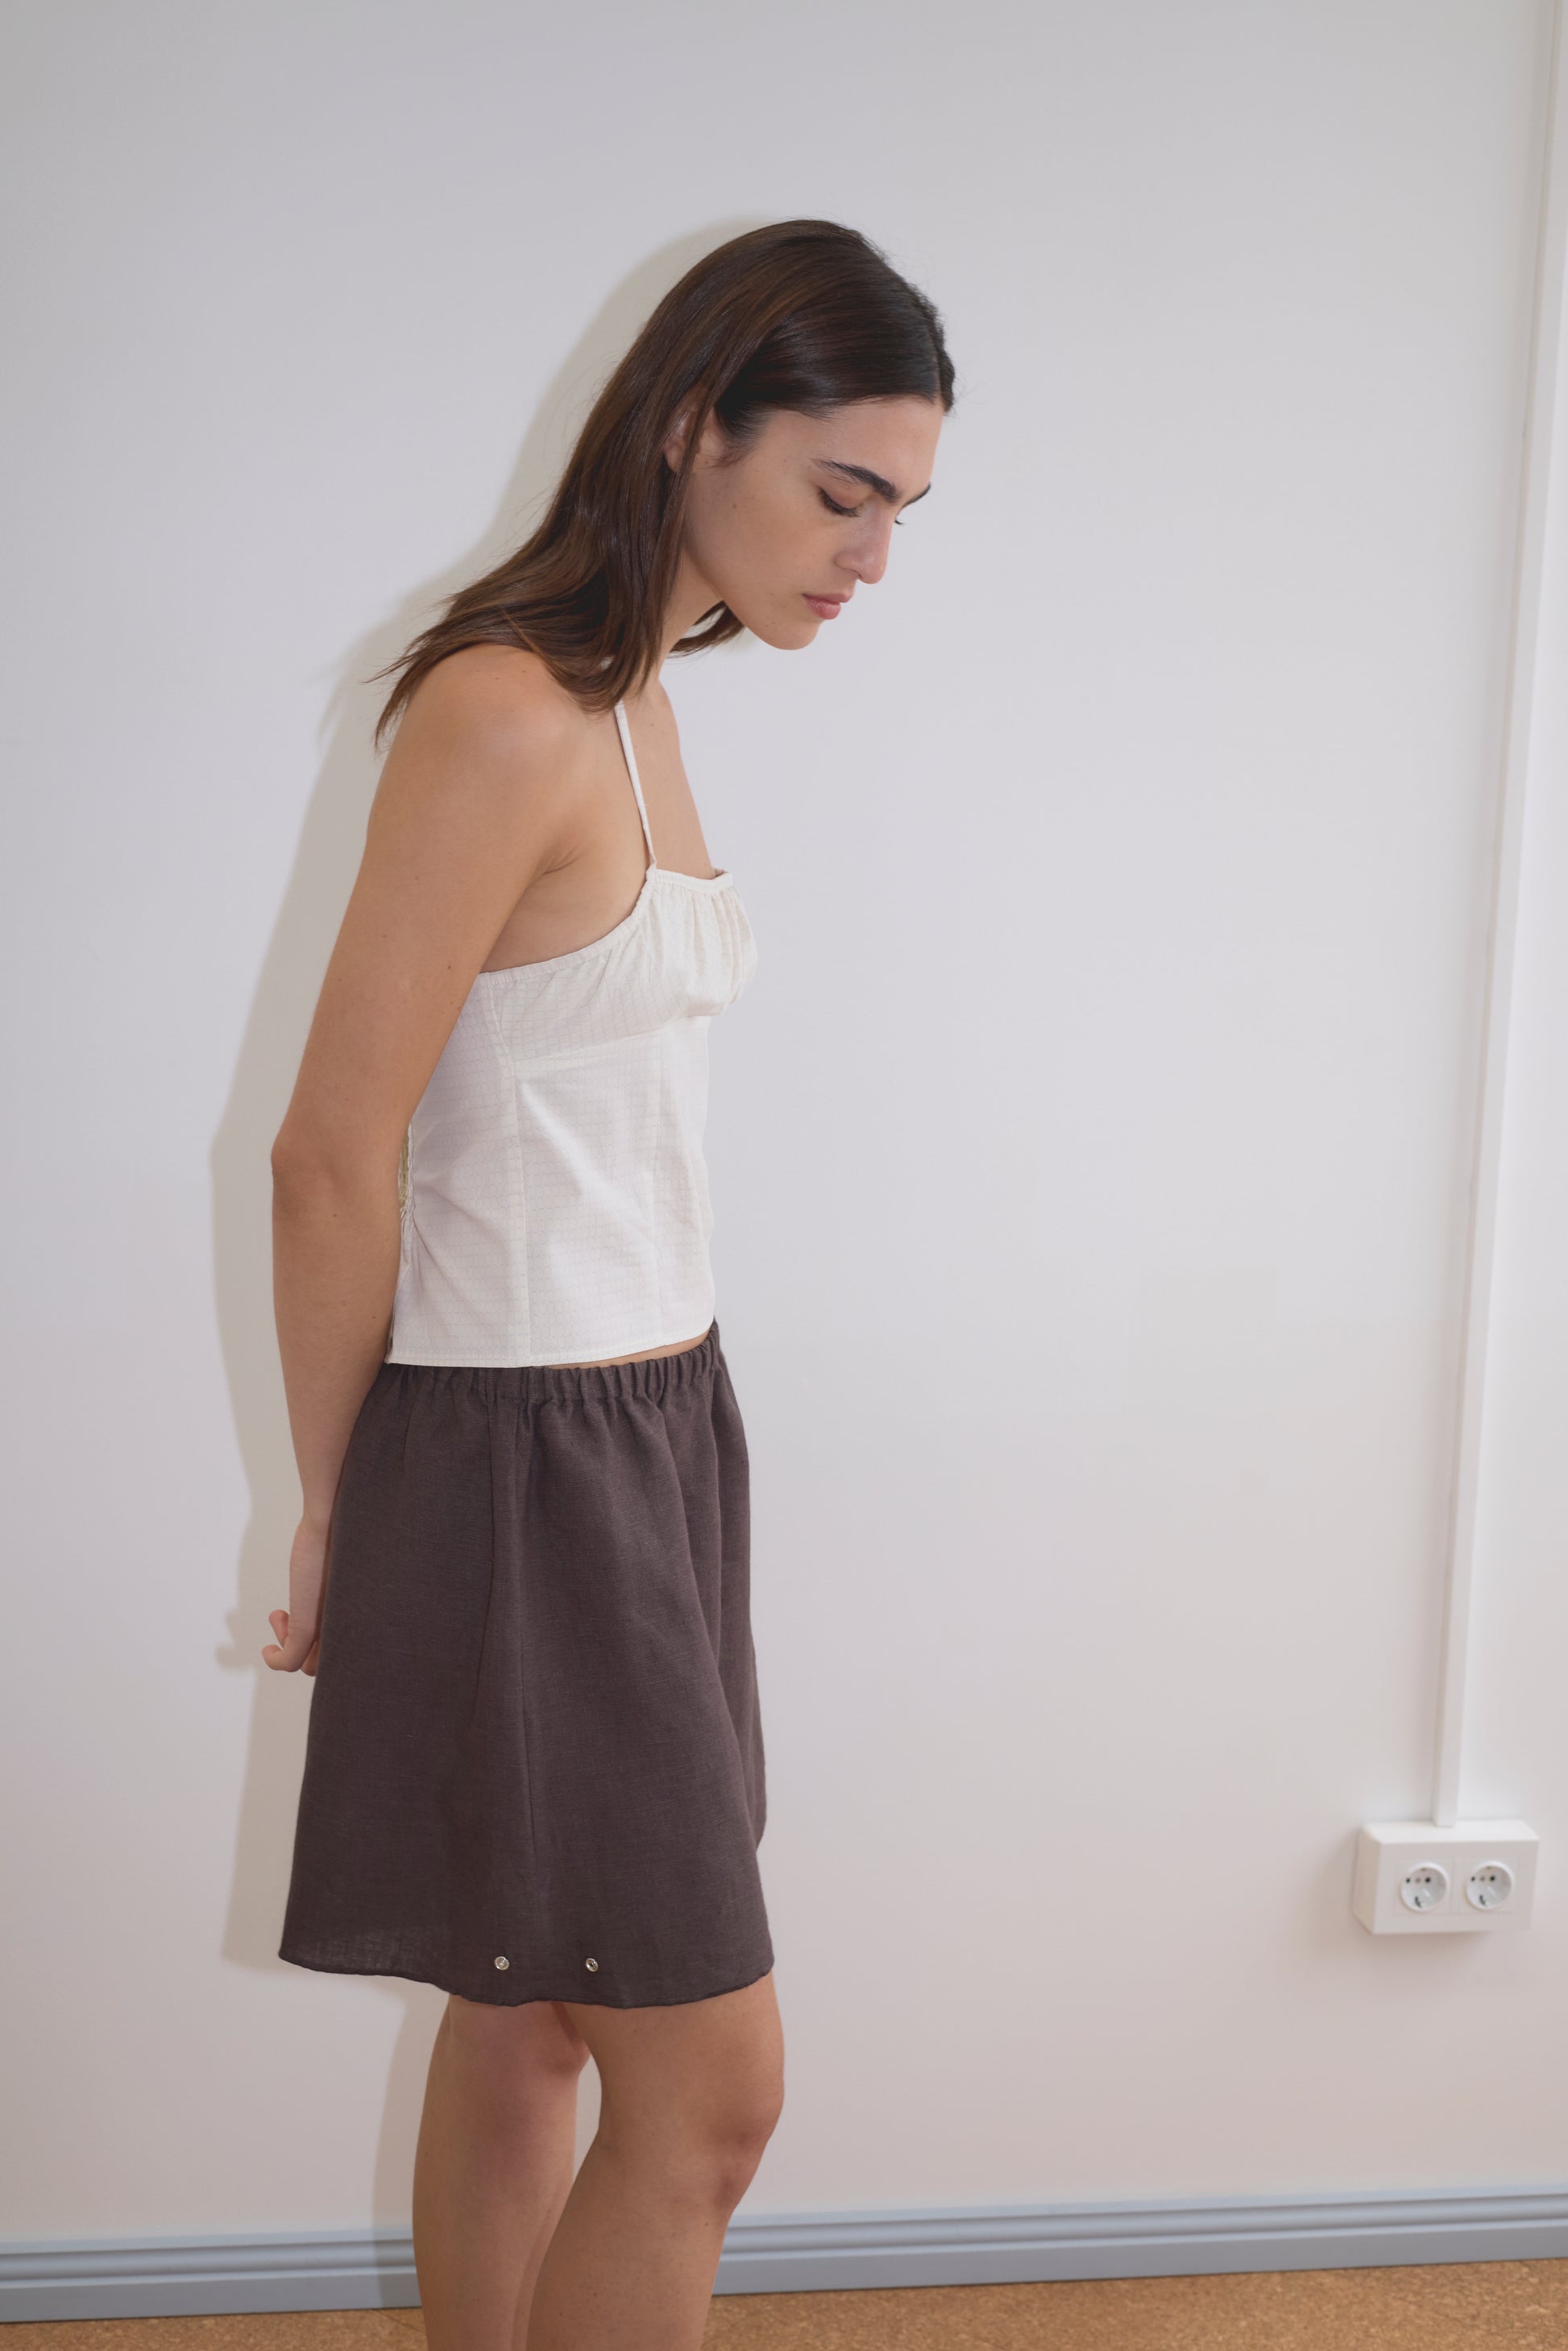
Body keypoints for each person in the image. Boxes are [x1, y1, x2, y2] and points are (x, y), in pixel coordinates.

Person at [263, 217, 952, 2351]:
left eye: (903, 513)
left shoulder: (642, 686)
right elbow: (324, 1147)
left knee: (533, 2021)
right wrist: (342, 1505)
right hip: (517, 1440)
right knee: (708, 2092)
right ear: (687, 427)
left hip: (651, 1422)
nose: (870, 558)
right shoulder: (504, 710)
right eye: (841, 493)